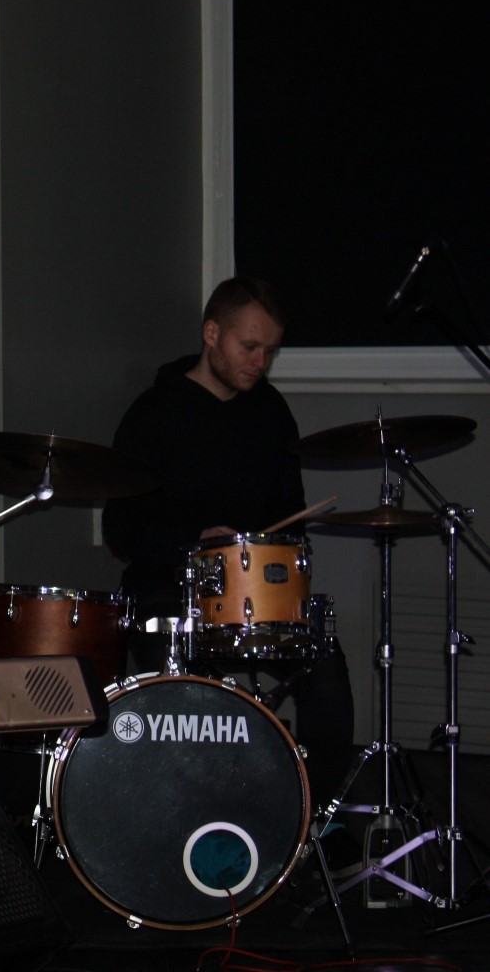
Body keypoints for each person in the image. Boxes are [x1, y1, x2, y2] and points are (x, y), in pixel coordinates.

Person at [102, 277, 354, 822]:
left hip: (255, 599)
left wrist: (262, 550)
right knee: (185, 702)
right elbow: (120, 527)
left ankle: (311, 820)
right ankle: (184, 819)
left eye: (270, 350)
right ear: (212, 334)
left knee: (327, 669)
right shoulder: (153, 413)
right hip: (168, 592)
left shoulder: (271, 413)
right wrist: (193, 544)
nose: (261, 362)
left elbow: (291, 518)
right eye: (250, 346)